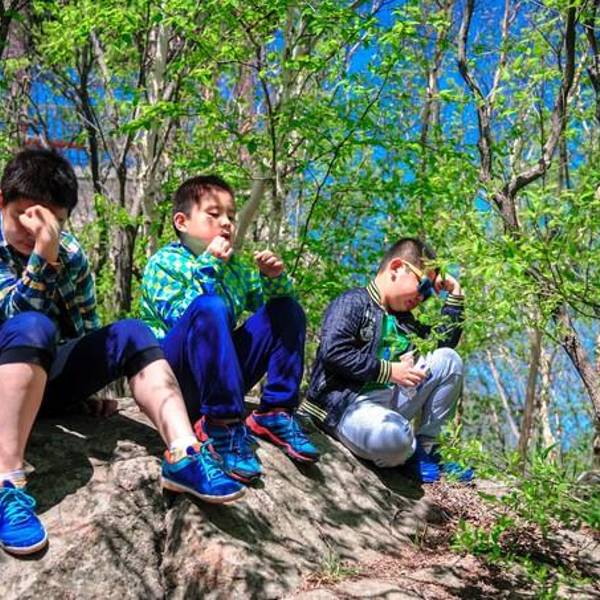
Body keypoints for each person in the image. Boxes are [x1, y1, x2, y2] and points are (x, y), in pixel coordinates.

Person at [0, 150, 244, 556]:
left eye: (52, 221)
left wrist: (88, 391)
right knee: (33, 325)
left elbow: (85, 328)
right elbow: (13, 316)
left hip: (46, 382)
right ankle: (7, 483)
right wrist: (44, 253)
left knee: (131, 330)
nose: (37, 229)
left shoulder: (70, 252)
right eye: (25, 216)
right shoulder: (44, 246)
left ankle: (184, 453)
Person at [140, 175, 318, 483]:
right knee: (209, 307)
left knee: (286, 309)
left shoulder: (236, 268)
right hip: (176, 380)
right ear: (182, 222)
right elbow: (181, 318)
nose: (226, 223)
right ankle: (219, 424)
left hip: (219, 376)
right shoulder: (164, 262)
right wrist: (209, 265)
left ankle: (275, 411)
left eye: (231, 217)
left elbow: (272, 314)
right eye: (214, 214)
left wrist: (273, 278)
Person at [303, 238, 472, 483]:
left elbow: (443, 340)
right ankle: (406, 451)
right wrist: (389, 371)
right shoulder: (353, 301)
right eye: (423, 286)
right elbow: (334, 352)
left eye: (429, 293)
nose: (424, 297)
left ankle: (427, 449)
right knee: (395, 438)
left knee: (448, 359)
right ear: (396, 268)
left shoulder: (405, 321)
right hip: (347, 406)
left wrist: (455, 292)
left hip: (390, 403)